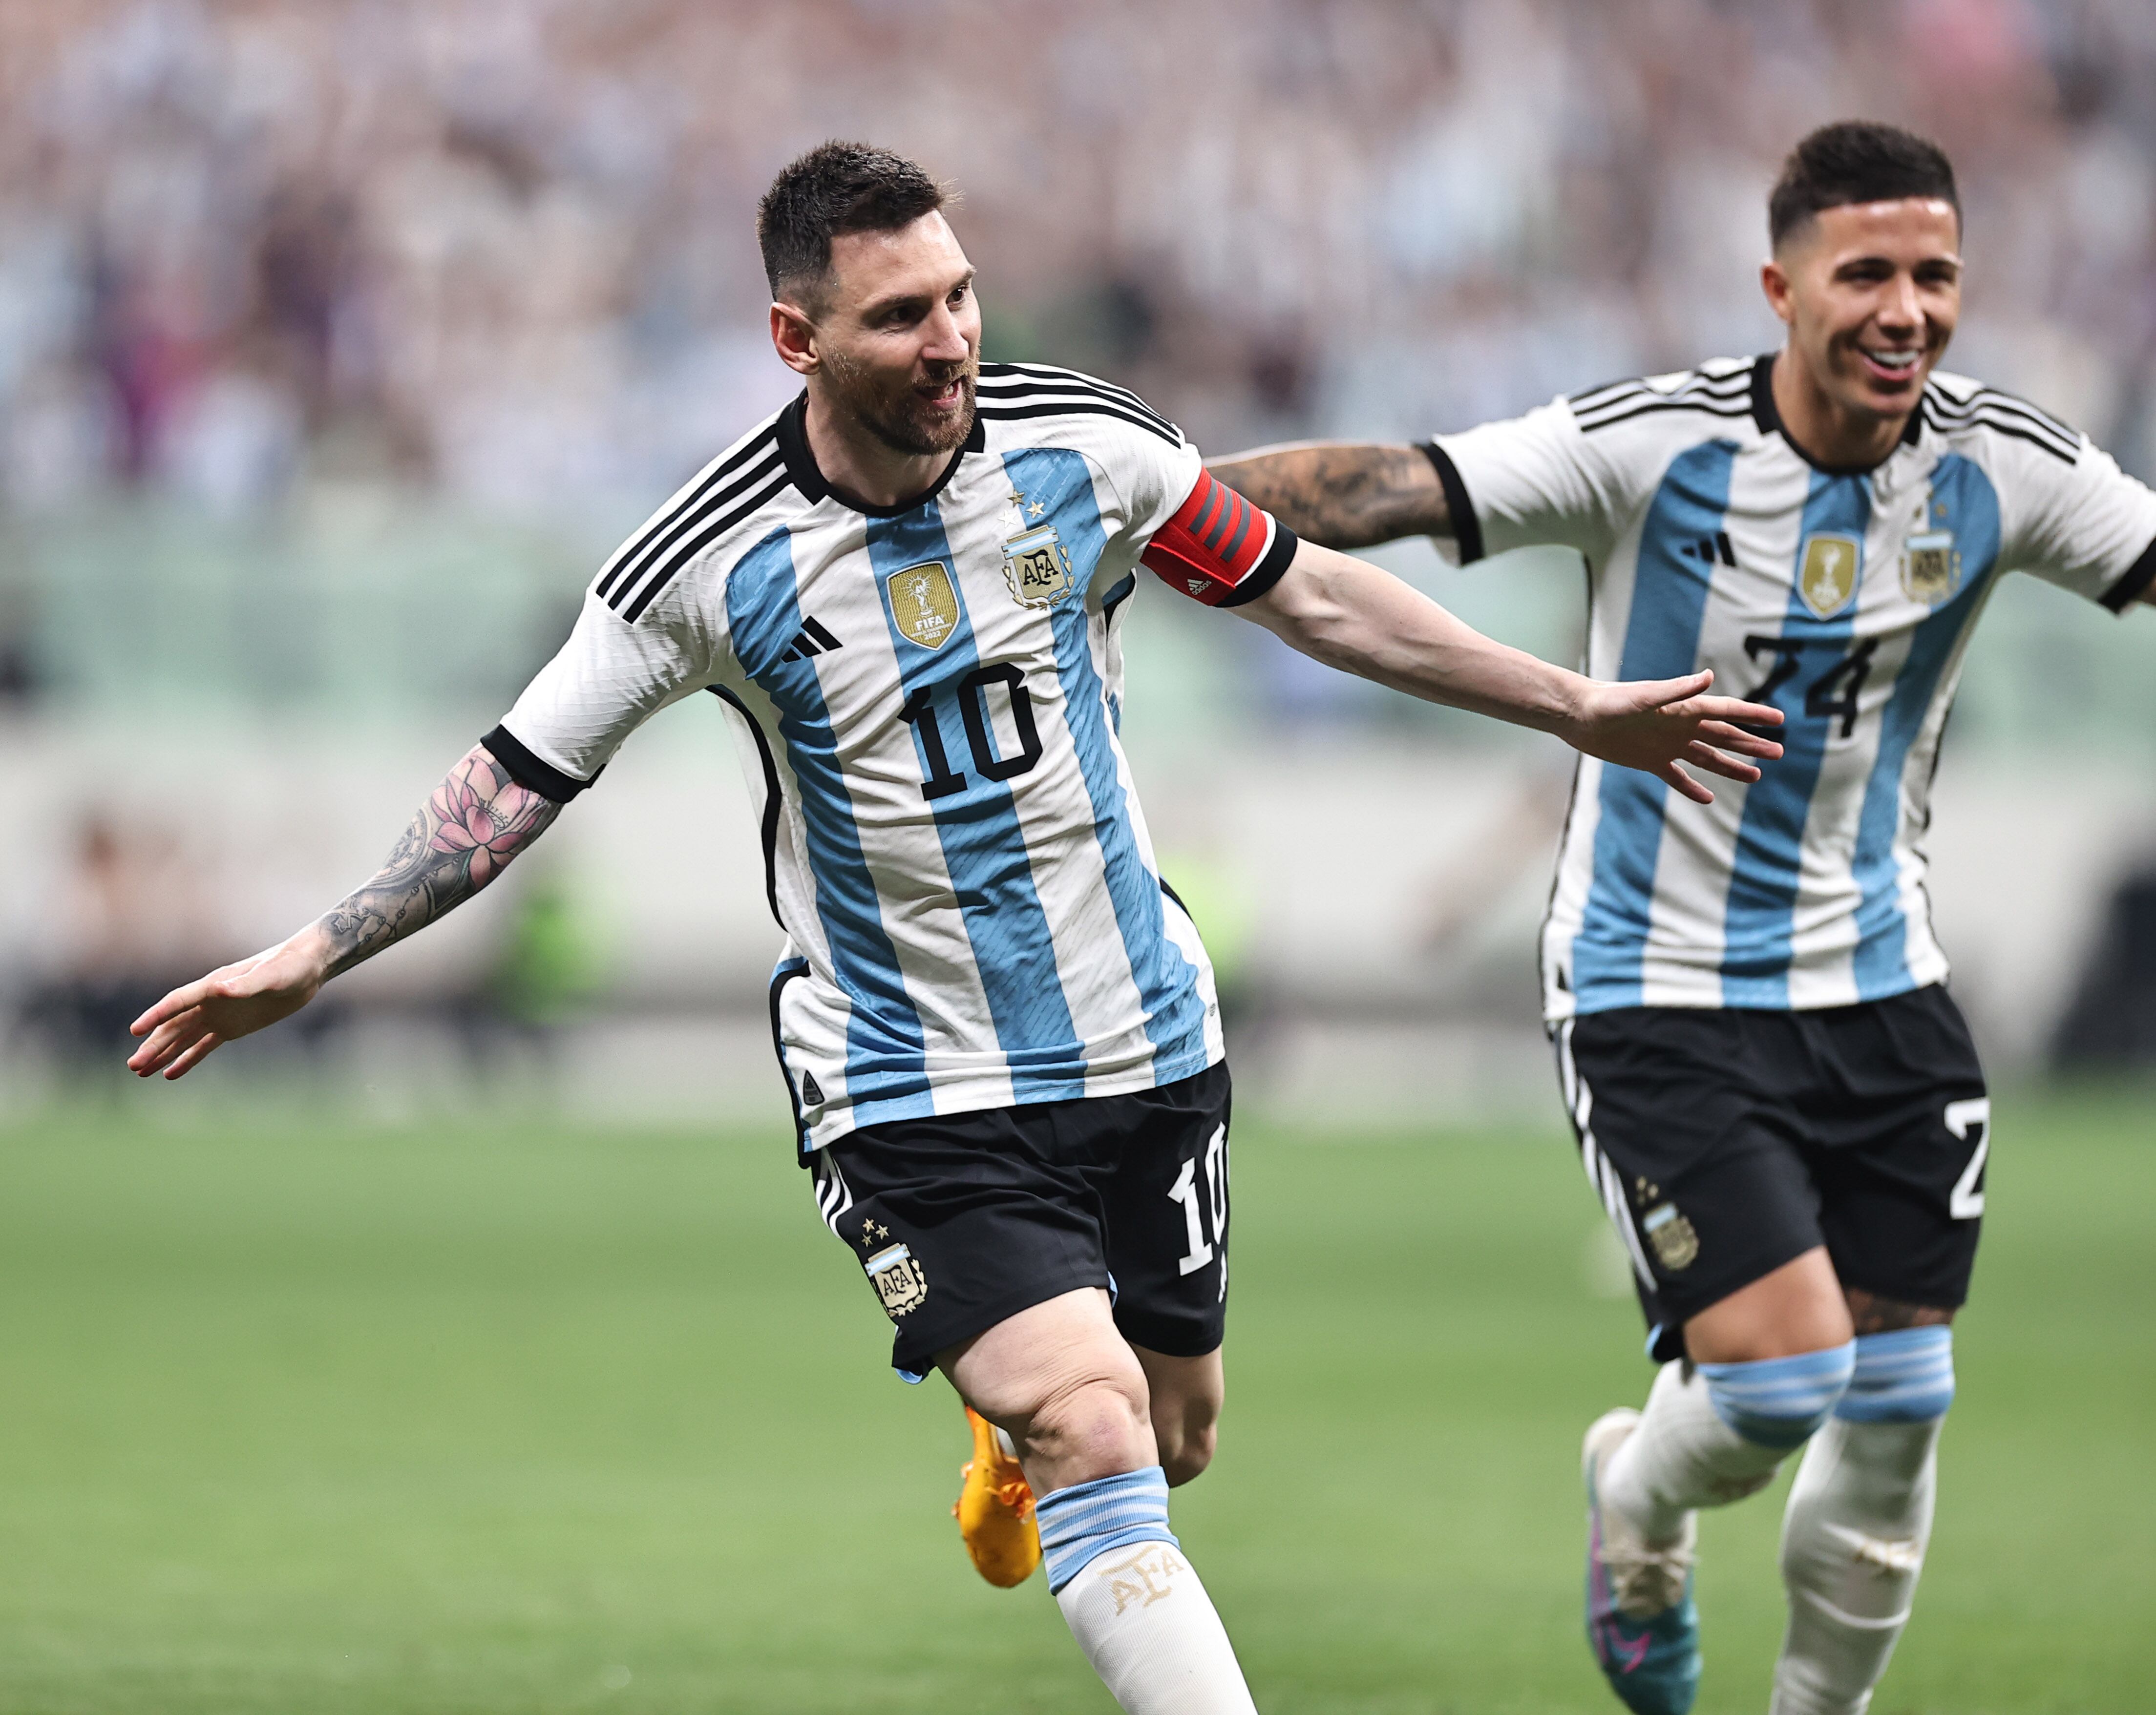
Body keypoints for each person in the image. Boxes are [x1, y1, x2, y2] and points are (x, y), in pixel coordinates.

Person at [127, 142, 1781, 1715]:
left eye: (962, 296)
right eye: (902, 315)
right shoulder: (699, 567)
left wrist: (1572, 706)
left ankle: (1019, 1432)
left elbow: (1316, 594)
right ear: (796, 337)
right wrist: (314, 952)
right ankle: (1040, 1428)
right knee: (1093, 1420)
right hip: (909, 1081)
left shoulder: (1089, 452)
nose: (953, 341)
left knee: (1178, 1428)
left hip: (1145, 1038)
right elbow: (515, 778)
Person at [1210, 120, 2156, 1715]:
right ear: (1780, 288)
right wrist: (1129, 505)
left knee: (1905, 1393)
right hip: (1657, 984)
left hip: (1881, 978)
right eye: (1867, 274)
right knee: (1786, 1381)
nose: (1906, 309)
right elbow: (1390, 484)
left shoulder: (2002, 465)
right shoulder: (1657, 447)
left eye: (1936, 275)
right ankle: (1637, 1500)